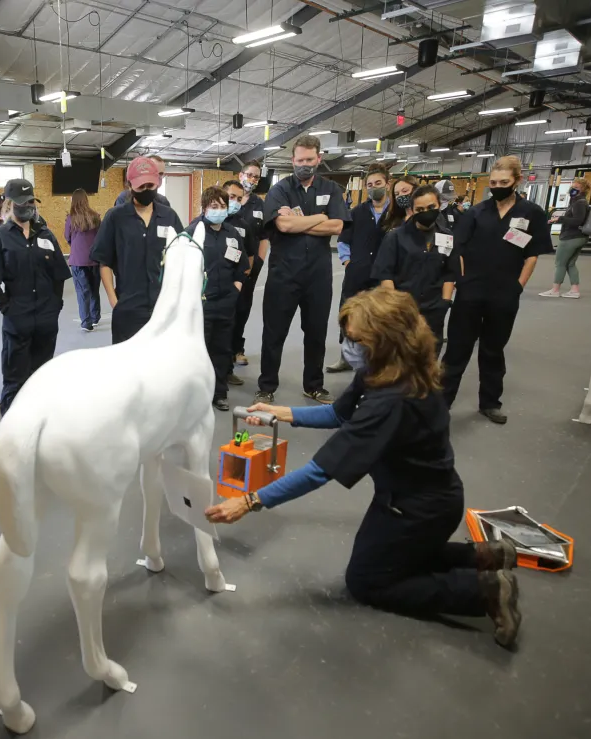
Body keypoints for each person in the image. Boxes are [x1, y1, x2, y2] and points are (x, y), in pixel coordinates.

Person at [205, 288, 522, 649]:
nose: (349, 346)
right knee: (398, 556)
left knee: (368, 581)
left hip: (417, 509)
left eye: (356, 339)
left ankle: (484, 590)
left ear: (383, 339)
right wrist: (283, 413)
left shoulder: (391, 400)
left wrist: (249, 501)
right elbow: (338, 413)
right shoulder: (387, 369)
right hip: (417, 498)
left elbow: (319, 471)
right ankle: (487, 555)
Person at [441, 155, 550, 424]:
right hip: (470, 293)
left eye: (504, 181)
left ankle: (490, 402)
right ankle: (441, 403)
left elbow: (532, 254)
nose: (498, 185)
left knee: (493, 350)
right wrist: (463, 281)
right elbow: (459, 249)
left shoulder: (532, 213)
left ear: (517, 181)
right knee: (457, 349)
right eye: (493, 182)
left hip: (504, 294)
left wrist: (518, 286)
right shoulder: (476, 213)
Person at [255, 134, 350, 405]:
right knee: (274, 332)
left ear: (319, 159)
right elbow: (283, 226)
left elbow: (337, 226)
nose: (304, 164)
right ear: (292, 160)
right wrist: (320, 218)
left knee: (316, 332)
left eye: (310, 159)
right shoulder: (280, 190)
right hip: (283, 275)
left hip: (318, 276)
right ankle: (267, 385)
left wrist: (301, 220)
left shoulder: (331, 190)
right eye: (300, 160)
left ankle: (314, 385)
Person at [0, 178, 71, 414]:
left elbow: (59, 275)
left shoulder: (46, 235)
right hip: (17, 318)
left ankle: (38, 422)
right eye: (23, 203)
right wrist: (7, 309)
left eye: (31, 201)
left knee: (42, 375)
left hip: (45, 318)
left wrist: (55, 306)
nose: (28, 207)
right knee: (15, 378)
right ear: (10, 204)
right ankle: (11, 427)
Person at [91, 155, 185, 343]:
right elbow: (104, 262)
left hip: (162, 306)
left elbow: (180, 257)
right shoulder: (115, 217)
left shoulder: (169, 216)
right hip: (128, 307)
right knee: (127, 366)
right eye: (140, 186)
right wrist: (114, 301)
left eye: (150, 185)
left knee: (160, 363)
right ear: (129, 185)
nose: (146, 190)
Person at [372, 185, 458, 355]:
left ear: (439, 205)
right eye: (420, 209)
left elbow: (449, 273)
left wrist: (445, 303)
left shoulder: (447, 236)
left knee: (428, 362)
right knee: (400, 362)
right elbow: (385, 275)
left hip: (434, 311)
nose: (426, 212)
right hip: (403, 312)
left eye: (431, 207)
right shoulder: (395, 237)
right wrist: (396, 306)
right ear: (412, 210)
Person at [187, 186, 247, 410]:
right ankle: (195, 395)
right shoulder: (192, 232)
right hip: (201, 304)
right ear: (204, 208)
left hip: (226, 303)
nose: (219, 210)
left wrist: (236, 288)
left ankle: (219, 392)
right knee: (199, 350)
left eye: (223, 206)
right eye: (214, 206)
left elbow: (242, 266)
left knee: (222, 350)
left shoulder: (232, 233)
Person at [328, 163, 391, 372]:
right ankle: (346, 357)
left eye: (378, 183)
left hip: (384, 277)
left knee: (380, 318)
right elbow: (344, 240)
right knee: (350, 315)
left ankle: (377, 361)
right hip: (357, 274)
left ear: (388, 184)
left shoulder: (396, 214)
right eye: (370, 184)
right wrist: (348, 262)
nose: (374, 188)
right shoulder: (357, 212)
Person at [225, 161, 271, 378]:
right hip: (225, 270)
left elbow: (264, 237)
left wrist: (258, 264)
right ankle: (221, 356)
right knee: (225, 312)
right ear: (240, 174)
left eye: (256, 177)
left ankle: (237, 349)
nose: (252, 179)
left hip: (248, 268)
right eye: (249, 175)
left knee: (242, 310)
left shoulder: (259, 205)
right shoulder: (227, 200)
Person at [540, 177, 590, 299]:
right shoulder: (578, 202)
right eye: (573, 186)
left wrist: (560, 219)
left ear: (583, 190)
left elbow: (578, 220)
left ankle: (555, 289)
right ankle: (574, 290)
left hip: (571, 237)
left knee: (560, 263)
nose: (573, 189)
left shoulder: (579, 203)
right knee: (570, 263)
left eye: (577, 188)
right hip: (579, 237)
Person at [64, 188, 103, 332]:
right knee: (94, 289)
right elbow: (100, 237)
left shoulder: (71, 218)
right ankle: (95, 317)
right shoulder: (95, 216)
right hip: (94, 259)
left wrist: (74, 245)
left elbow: (67, 236)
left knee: (82, 291)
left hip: (78, 261)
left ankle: (86, 322)